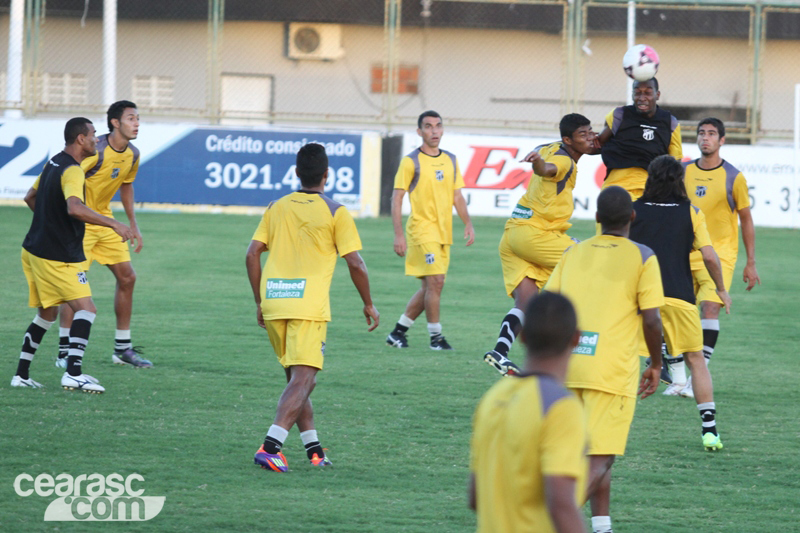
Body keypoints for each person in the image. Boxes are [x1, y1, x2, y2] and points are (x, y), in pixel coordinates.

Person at [245, 143, 380, 472]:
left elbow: (252, 253)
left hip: (275, 300)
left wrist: (260, 301)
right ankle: (270, 447)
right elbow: (356, 263)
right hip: (307, 306)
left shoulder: (276, 207)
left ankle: (315, 451)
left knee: (298, 381)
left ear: (296, 172)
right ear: (326, 174)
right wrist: (368, 303)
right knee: (303, 380)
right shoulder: (336, 211)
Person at [544, 186, 665, 533]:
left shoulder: (573, 252)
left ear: (597, 217)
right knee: (600, 457)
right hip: (610, 370)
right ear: (632, 217)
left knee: (588, 452)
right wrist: (656, 364)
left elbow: (547, 305)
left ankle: (601, 526)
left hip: (567, 366)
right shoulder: (643, 256)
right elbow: (652, 319)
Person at [11, 117, 134, 393]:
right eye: (93, 135)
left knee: (46, 314)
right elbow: (75, 208)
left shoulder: (53, 162)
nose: (96, 140)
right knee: (87, 309)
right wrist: (114, 223)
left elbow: (30, 197)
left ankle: (21, 375)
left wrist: (49, 222)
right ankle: (73, 373)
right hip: (57, 256)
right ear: (81, 139)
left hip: (32, 250)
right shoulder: (74, 171)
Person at [628, 155, 730, 453]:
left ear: (650, 178)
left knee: (622, 356)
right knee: (696, 359)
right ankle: (709, 430)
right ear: (679, 181)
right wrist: (721, 289)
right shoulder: (691, 211)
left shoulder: (632, 210)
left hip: (640, 299)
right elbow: (709, 256)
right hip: (679, 295)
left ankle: (601, 419)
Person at [484, 113, 597, 377]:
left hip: (514, 233)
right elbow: (547, 169)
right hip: (535, 235)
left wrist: (538, 157)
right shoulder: (563, 161)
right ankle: (582, 346)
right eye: (583, 135)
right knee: (589, 261)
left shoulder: (550, 147)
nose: (590, 138)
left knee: (526, 301)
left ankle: (500, 351)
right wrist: (538, 164)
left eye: (590, 131)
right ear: (568, 140)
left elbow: (544, 153)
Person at [469, 292, 588, 533]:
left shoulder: (493, 398)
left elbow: (475, 496)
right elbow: (561, 504)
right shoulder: (561, 407)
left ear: (522, 336)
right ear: (576, 339)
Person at [49, 100, 150, 368]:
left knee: (127, 277)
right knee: (75, 287)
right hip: (79, 224)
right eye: (131, 118)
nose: (137, 123)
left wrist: (133, 223)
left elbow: (126, 185)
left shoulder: (133, 154)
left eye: (138, 118)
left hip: (105, 222)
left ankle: (122, 349)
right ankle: (64, 351)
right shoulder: (95, 151)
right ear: (115, 123)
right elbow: (65, 177)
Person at [671, 117, 760, 396]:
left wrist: (751, 262)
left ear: (721, 140)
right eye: (701, 133)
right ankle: (677, 379)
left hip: (720, 255)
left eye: (711, 134)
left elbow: (746, 219)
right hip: (685, 254)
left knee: (710, 308)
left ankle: (696, 378)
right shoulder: (683, 171)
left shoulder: (734, 177)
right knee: (677, 312)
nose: (705, 138)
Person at [385, 110, 474, 351]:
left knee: (430, 287)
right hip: (422, 231)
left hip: (444, 233)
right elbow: (397, 198)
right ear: (419, 131)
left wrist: (467, 223)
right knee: (436, 281)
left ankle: (397, 333)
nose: (434, 131)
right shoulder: (411, 161)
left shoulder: (451, 159)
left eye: (438, 126)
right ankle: (436, 338)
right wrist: (398, 234)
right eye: (428, 126)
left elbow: (457, 196)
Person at [597, 78, 682, 200]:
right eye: (637, 93)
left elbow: (675, 164)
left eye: (648, 93)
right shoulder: (619, 115)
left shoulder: (670, 123)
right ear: (632, 95)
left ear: (657, 95)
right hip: (616, 187)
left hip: (650, 190)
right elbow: (599, 143)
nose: (642, 98)